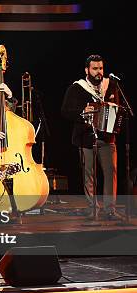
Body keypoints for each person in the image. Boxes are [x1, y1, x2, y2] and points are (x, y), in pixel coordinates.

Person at [61, 54, 121, 220]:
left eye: (101, 68)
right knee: (90, 175)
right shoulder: (77, 88)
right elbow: (65, 111)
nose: (98, 72)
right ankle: (93, 208)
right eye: (95, 68)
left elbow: (118, 107)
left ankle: (110, 210)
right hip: (86, 138)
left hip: (108, 138)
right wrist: (82, 111)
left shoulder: (111, 85)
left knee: (111, 173)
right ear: (87, 70)